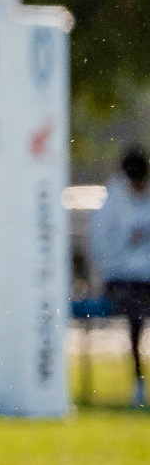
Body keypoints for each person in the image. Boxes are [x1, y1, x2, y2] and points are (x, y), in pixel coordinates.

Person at [89, 144, 150, 408]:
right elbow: (100, 247)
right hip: (122, 277)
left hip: (147, 275)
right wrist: (130, 240)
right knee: (135, 313)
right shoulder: (111, 202)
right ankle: (138, 382)